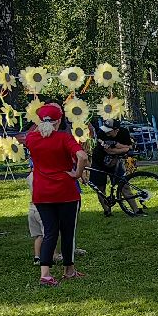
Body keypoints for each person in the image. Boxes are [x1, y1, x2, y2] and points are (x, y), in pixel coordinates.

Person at [25, 103, 88, 286]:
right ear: (59, 120)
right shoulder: (64, 138)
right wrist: (77, 173)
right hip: (66, 191)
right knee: (68, 232)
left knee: (49, 231)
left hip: (42, 193)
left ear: (39, 121)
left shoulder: (31, 139)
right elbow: (82, 156)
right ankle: (69, 270)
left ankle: (45, 273)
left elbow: (37, 133)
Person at [90, 115, 135, 211]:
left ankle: (135, 209)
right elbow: (109, 151)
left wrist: (117, 145)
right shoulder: (101, 133)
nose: (107, 133)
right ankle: (107, 210)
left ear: (116, 130)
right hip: (99, 161)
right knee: (100, 188)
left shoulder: (124, 132)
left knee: (124, 186)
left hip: (115, 162)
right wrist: (124, 149)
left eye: (109, 131)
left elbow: (130, 147)